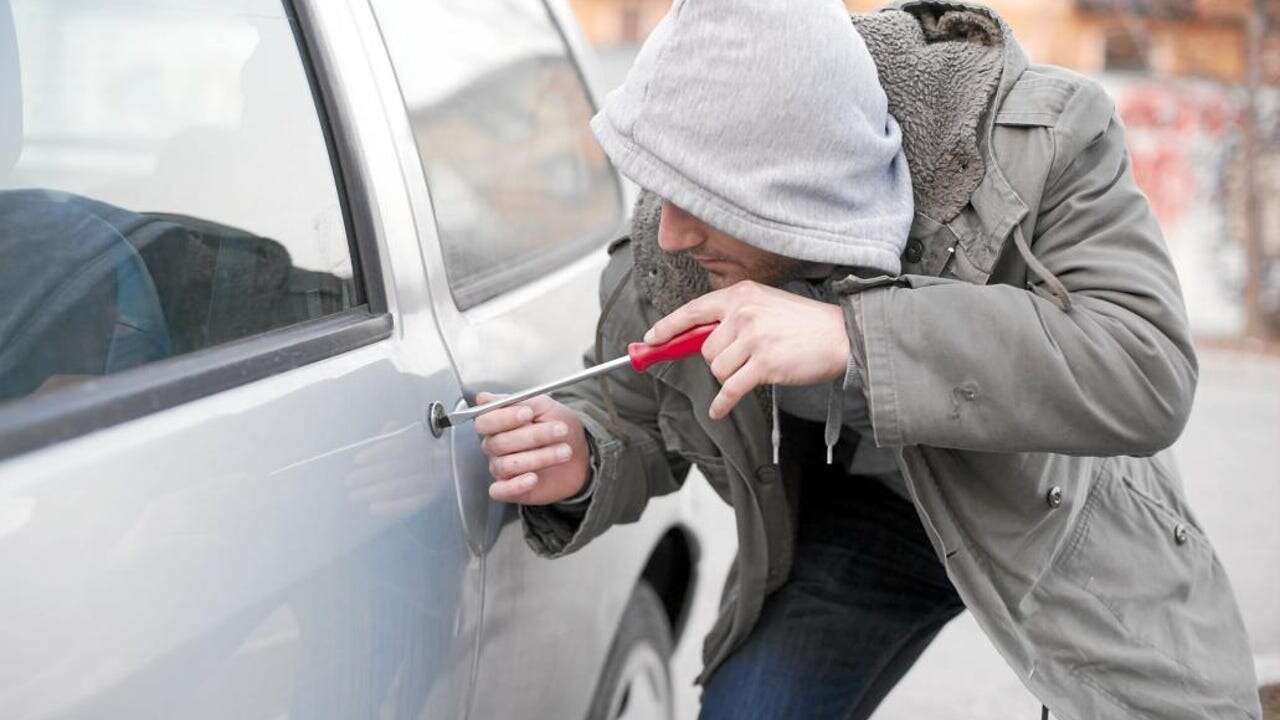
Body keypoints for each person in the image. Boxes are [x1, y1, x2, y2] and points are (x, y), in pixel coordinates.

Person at [475, 1, 1262, 718]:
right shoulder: (670, 252)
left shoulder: (1041, 143)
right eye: (662, 191)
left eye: (703, 201)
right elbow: (634, 409)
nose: (673, 232)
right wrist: (583, 455)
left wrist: (855, 337)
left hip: (1053, 505)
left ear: (796, 183)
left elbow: (1145, 366)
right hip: (867, 522)